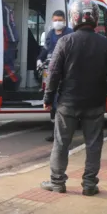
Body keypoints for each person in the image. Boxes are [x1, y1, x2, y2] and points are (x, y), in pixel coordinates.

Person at [40, 0, 107, 196]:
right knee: (94, 145)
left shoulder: (65, 41)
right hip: (95, 103)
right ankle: (89, 185)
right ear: (95, 18)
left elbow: (53, 74)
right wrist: (105, 89)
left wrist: (47, 98)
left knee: (61, 143)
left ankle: (57, 182)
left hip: (67, 103)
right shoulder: (106, 44)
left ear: (74, 17)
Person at [37, 10, 73, 142]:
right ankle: (54, 132)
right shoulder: (50, 34)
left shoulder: (70, 34)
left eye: (59, 20)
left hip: (64, 72)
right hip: (52, 71)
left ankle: (63, 133)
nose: (57, 22)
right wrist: (40, 59)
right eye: (55, 20)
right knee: (51, 101)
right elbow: (45, 49)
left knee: (61, 101)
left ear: (64, 21)